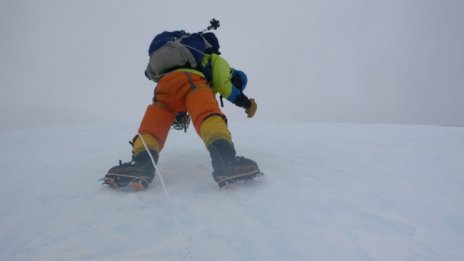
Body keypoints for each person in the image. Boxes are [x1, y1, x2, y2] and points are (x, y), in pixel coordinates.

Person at [103, 32, 261, 190]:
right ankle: (226, 161)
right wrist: (246, 103)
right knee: (208, 116)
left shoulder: (189, 57)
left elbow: (181, 96)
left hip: (165, 84)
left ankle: (140, 164)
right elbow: (223, 86)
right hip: (192, 81)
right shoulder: (218, 61)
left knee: (152, 129)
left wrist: (180, 114)